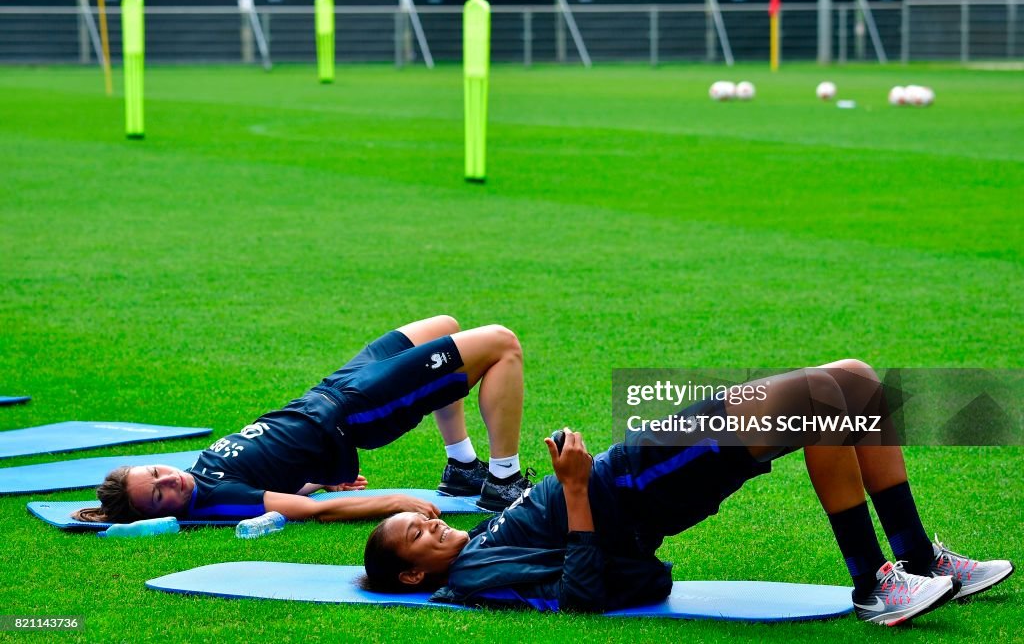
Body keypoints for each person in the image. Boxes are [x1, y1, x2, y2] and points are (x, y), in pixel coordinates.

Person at [362, 360, 1014, 627]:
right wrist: (577, 485)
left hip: (640, 460)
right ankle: (874, 582)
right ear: (414, 571)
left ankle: (920, 559)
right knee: (819, 404)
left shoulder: (474, 542)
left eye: (415, 520)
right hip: (642, 483)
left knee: (857, 381)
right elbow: (580, 593)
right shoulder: (474, 574)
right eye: (415, 535)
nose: (426, 522)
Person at [74, 315, 535, 524]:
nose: (169, 482)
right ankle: (503, 481)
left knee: (443, 326)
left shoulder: (200, 473)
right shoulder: (215, 500)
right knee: (501, 343)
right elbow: (307, 511)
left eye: (156, 473)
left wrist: (318, 477)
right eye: (157, 497)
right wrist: (391, 501)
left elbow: (276, 475)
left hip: (332, 388)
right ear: (158, 515)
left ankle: (461, 468)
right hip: (356, 410)